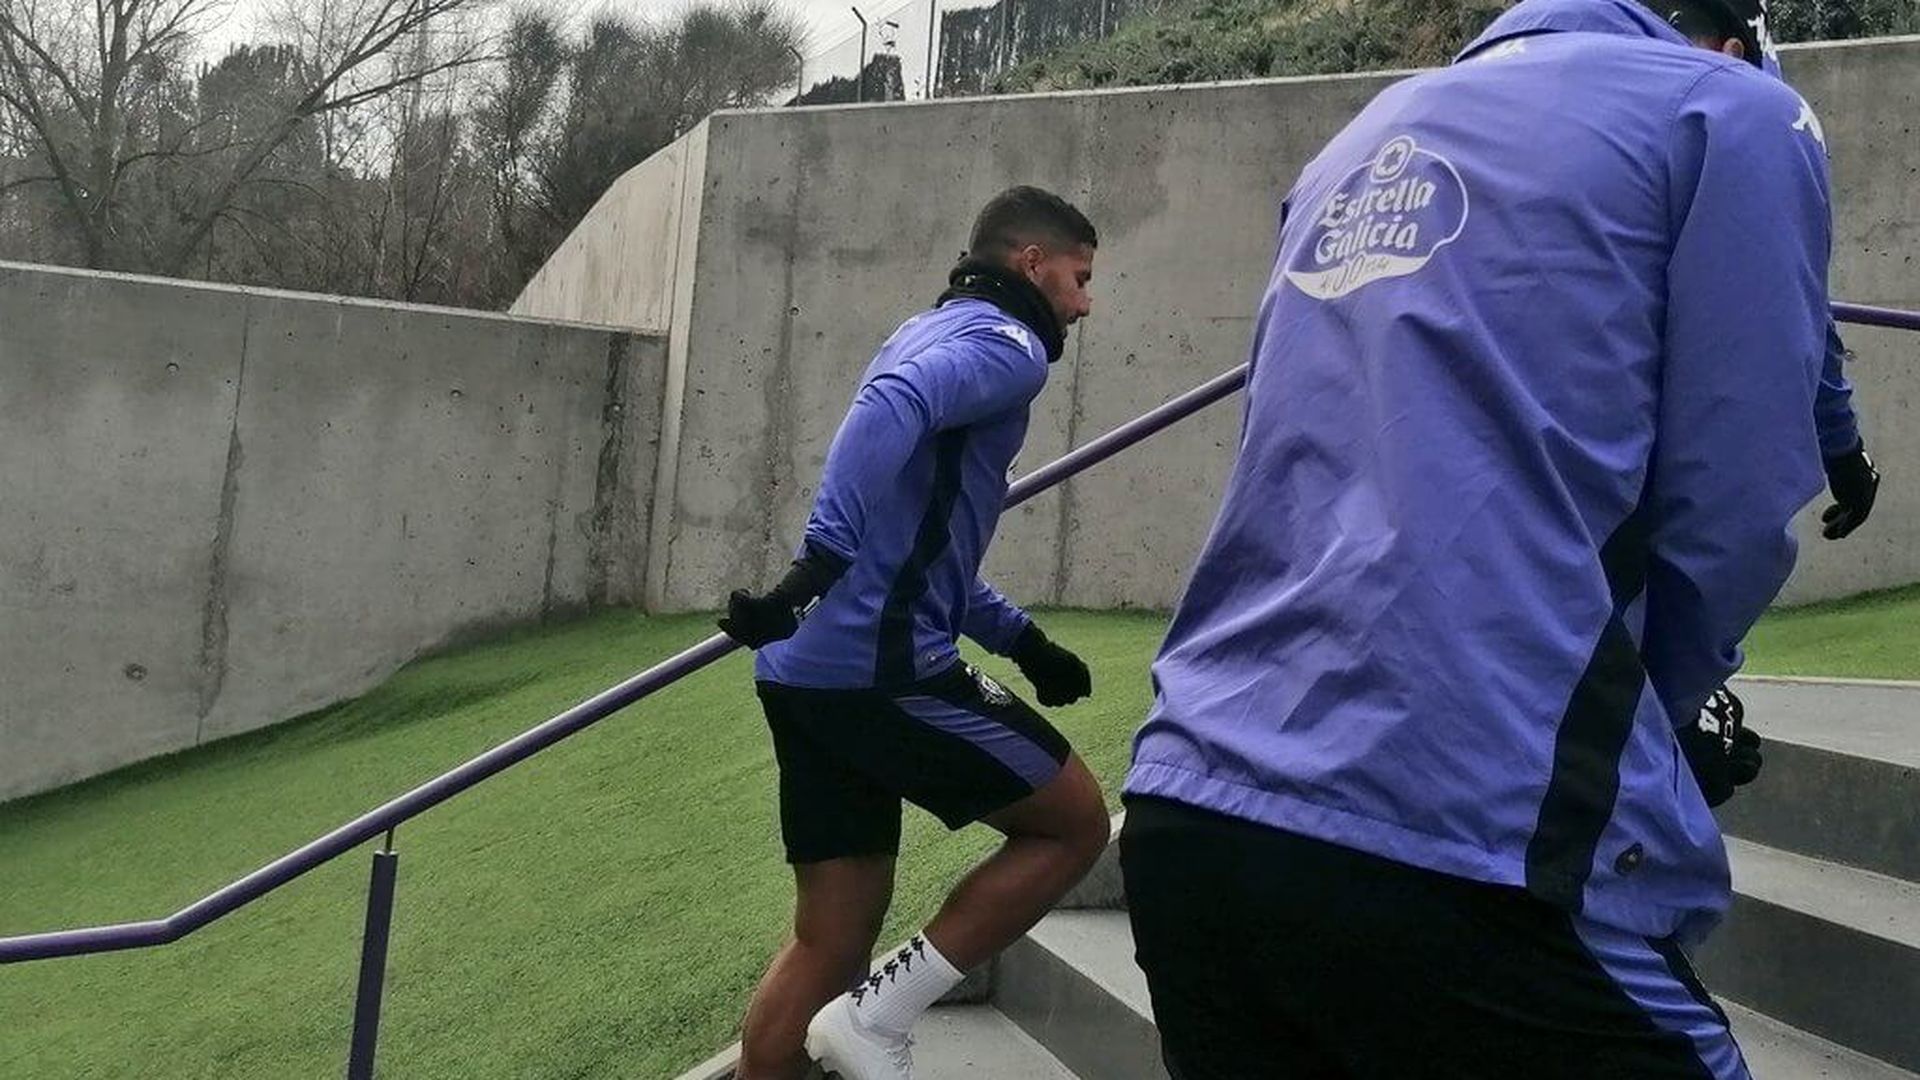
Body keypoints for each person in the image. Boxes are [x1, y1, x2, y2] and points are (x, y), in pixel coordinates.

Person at [1118, 0, 1834, 1076]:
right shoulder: (1735, 110)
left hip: (1196, 802)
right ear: (1731, 39)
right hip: (1467, 824)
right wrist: (1661, 712)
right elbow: (1734, 490)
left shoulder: (1361, 137)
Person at [718, 185, 1113, 1080]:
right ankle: (877, 1022)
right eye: (1080, 278)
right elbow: (893, 404)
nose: (1085, 303)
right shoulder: (1010, 348)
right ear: (1031, 263)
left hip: (803, 674)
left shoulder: (924, 327)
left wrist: (1021, 640)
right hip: (880, 672)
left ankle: (844, 1021)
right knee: (1076, 825)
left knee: (830, 941)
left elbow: (923, 542)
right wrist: (814, 569)